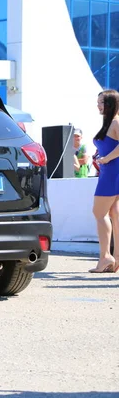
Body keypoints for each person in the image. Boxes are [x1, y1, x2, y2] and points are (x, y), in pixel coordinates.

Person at [90, 89, 119, 273]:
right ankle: (115, 258)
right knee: (114, 214)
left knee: (99, 213)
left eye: (101, 102)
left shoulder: (116, 121)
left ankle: (105, 256)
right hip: (110, 172)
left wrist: (107, 158)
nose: (98, 105)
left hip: (111, 173)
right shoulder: (111, 122)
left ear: (110, 103)